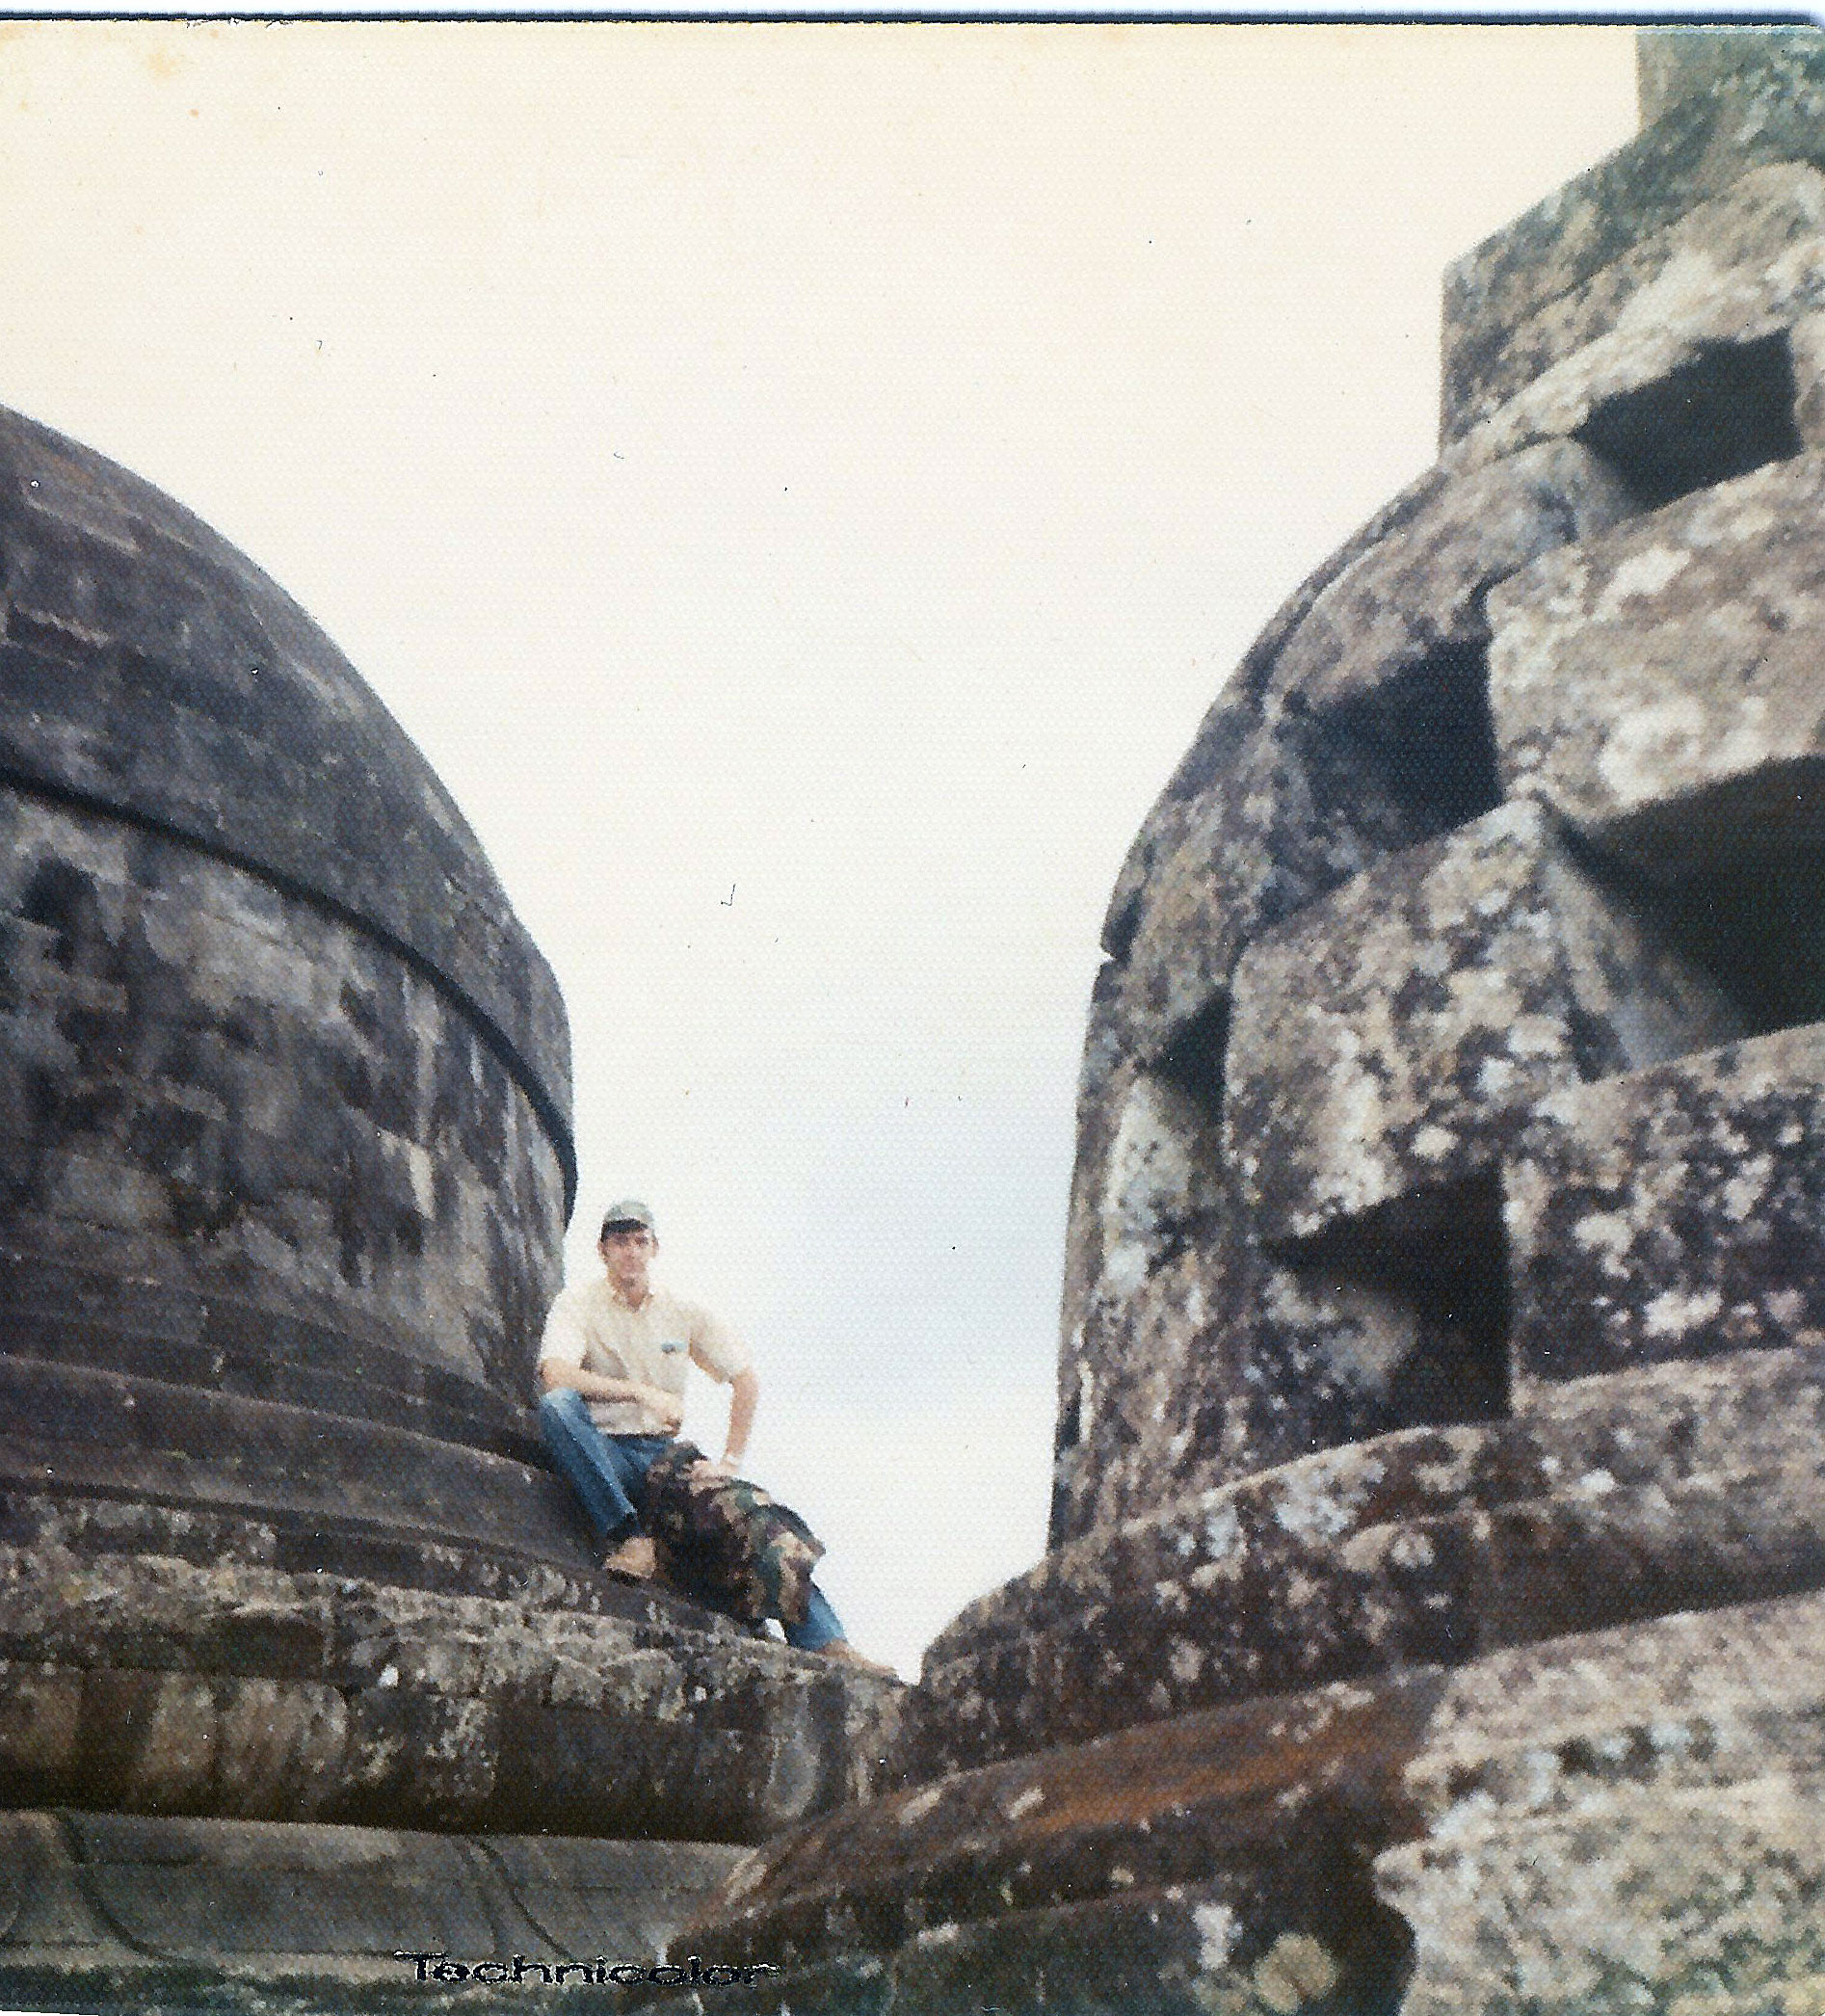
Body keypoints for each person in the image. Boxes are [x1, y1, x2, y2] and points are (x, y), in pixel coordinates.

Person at [537, 1200, 890, 1674]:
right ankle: (629, 1536)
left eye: (640, 1242)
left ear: (655, 1248)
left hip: (665, 1458)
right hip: (602, 1450)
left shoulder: (684, 1310)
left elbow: (745, 1379)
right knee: (557, 1409)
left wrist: (730, 1460)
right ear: (602, 1250)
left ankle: (827, 1640)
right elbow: (556, 1374)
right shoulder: (579, 1302)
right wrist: (641, 1391)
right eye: (620, 1242)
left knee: (757, 1515)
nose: (631, 1253)